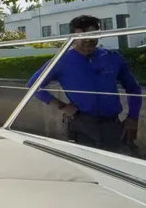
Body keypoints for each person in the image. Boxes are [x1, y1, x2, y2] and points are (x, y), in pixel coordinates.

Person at [27, 15, 142, 153]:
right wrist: (62, 106)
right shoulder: (61, 61)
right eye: (82, 35)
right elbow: (33, 85)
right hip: (81, 125)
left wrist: (133, 117)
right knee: (83, 163)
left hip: (113, 126)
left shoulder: (112, 58)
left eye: (92, 34)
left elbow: (133, 88)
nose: (88, 39)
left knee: (120, 161)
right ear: (72, 37)